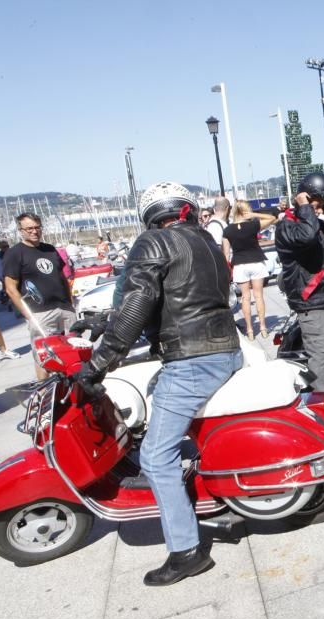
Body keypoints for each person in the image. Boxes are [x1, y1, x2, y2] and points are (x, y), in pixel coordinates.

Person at [76, 182, 242, 586]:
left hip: (192, 360)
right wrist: (104, 323)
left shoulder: (153, 241)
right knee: (152, 396)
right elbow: (175, 298)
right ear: (187, 208)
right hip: (224, 347)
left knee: (154, 457)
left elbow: (137, 304)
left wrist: (98, 362)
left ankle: (186, 551)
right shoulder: (205, 241)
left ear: (151, 215)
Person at [274, 173, 324, 413]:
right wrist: (305, 205)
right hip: (311, 300)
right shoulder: (288, 226)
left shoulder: (313, 222)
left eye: (320, 201)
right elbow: (307, 238)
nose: (317, 206)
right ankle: (321, 408)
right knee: (323, 354)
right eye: (315, 200)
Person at [2, 213, 77, 380]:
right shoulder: (15, 253)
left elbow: (62, 278)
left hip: (64, 308)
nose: (34, 231)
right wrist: (29, 315)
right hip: (40, 313)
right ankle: (45, 392)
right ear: (21, 231)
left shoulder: (50, 249)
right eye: (29, 228)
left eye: (37, 227)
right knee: (44, 356)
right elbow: (10, 288)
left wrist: (70, 302)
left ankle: (72, 386)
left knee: (72, 350)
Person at [222, 201, 277, 340]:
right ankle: (263, 327)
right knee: (258, 296)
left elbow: (226, 254)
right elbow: (272, 218)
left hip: (240, 264)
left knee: (245, 298)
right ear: (246, 210)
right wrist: (254, 214)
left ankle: (250, 330)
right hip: (256, 261)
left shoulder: (227, 230)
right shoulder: (253, 225)